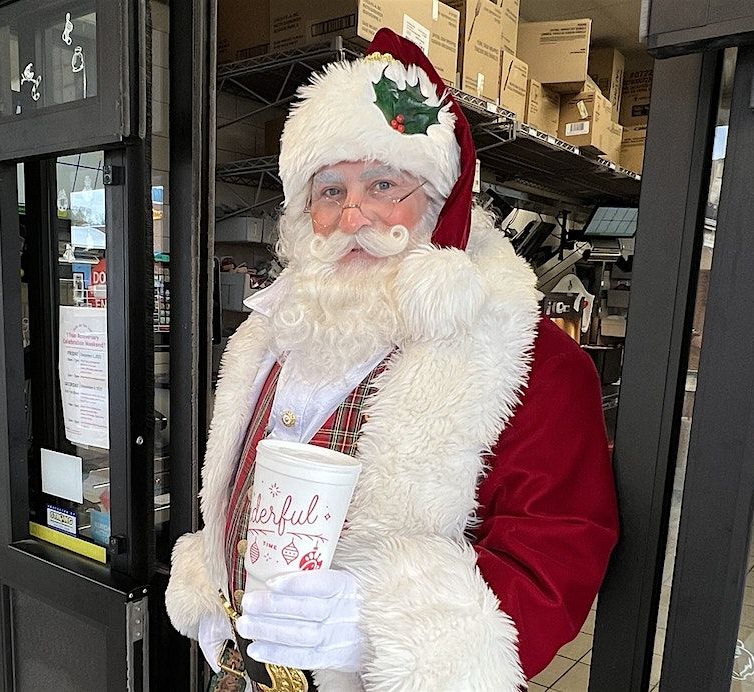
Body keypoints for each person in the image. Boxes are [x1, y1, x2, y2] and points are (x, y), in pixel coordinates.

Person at [166, 29, 619, 691]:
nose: (352, 215)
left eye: (383, 183)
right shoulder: (270, 334)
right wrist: (211, 585)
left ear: (439, 203)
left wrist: (379, 627)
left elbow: (556, 558)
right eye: (328, 190)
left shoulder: (534, 360)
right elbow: (236, 496)